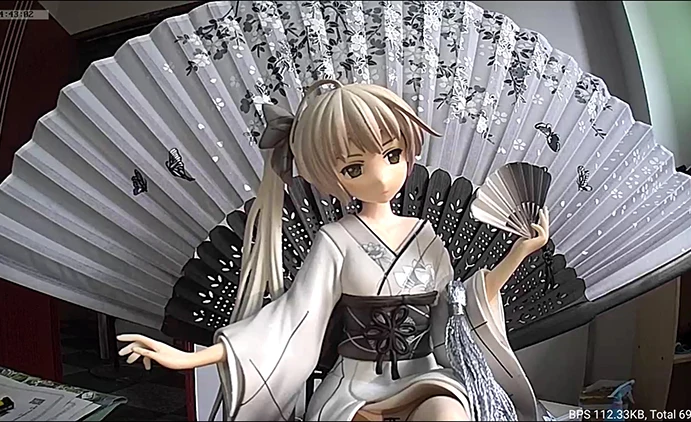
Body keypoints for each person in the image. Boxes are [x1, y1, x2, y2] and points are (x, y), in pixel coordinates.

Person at [117, 80, 551, 421]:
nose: (381, 177)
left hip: (425, 377)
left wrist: (519, 253)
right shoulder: (335, 240)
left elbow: (457, 308)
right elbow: (292, 320)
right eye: (355, 167)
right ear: (331, 176)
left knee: (450, 415)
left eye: (393, 154)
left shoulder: (425, 233)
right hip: (355, 387)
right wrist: (194, 357)